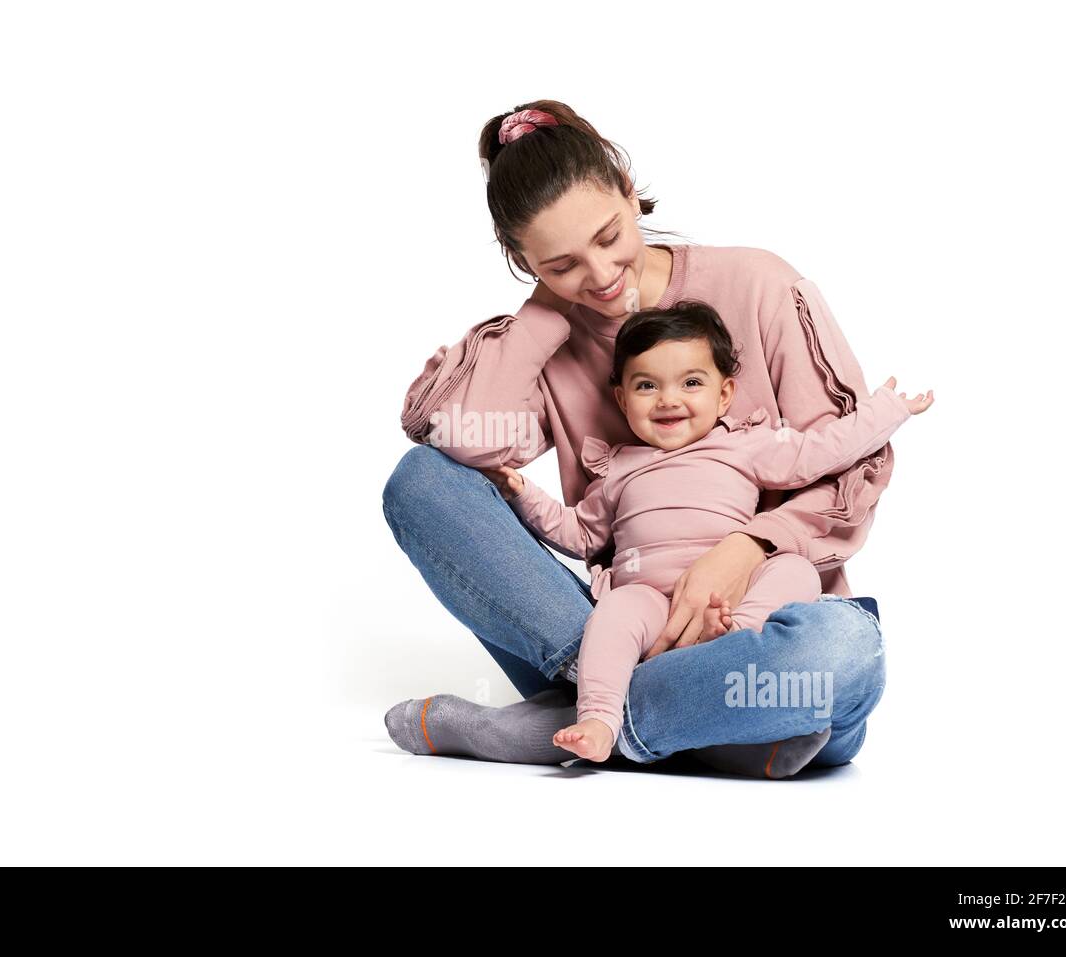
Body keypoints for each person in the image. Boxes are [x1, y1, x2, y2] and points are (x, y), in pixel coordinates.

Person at [381, 100, 901, 777]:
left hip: (758, 643)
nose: (599, 276)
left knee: (843, 653)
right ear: (522, 258)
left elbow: (847, 461)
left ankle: (569, 723)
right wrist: (543, 311)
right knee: (420, 483)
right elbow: (462, 443)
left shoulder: (761, 285)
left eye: (608, 235)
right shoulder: (553, 338)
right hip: (618, 626)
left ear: (628, 187)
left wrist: (747, 546)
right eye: (560, 263)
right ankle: (672, 720)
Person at [482, 299, 933, 761]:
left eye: (691, 383)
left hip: (732, 599)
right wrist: (522, 493)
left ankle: (734, 641)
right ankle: (598, 719)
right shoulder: (618, 468)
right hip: (651, 602)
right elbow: (580, 534)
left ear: (723, 395)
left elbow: (819, 452)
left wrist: (887, 412)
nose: (668, 399)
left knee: (794, 568)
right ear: (621, 398)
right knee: (613, 614)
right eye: (646, 386)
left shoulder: (743, 446)